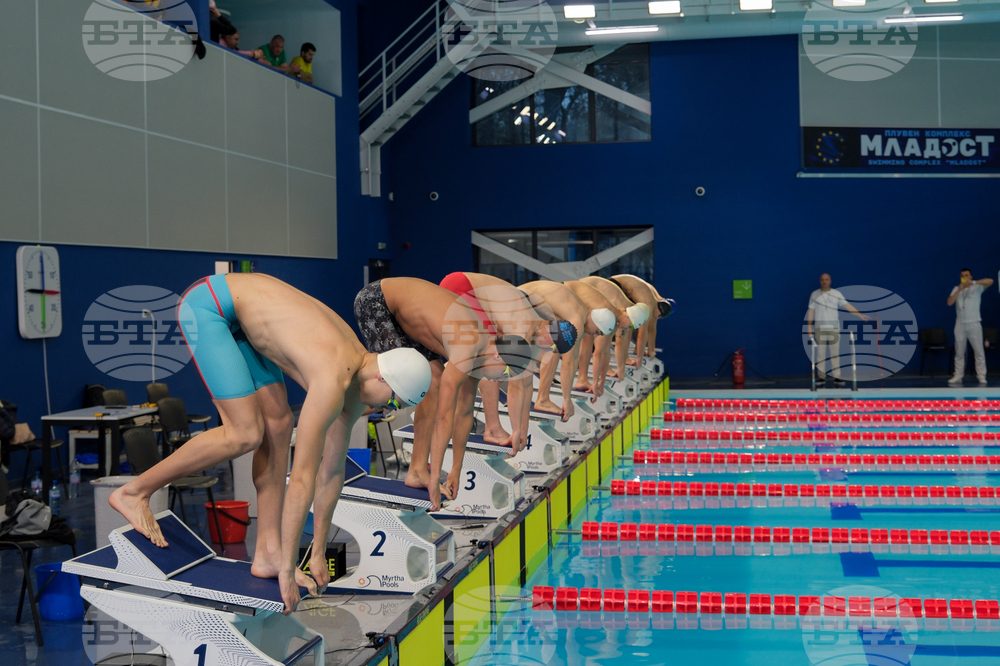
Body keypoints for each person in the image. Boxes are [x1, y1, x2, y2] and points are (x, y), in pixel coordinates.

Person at [110, 273, 431, 613]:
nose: (387, 410)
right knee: (244, 432)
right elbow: (303, 478)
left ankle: (267, 553)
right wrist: (289, 575)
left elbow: (332, 470)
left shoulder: (357, 379)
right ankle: (135, 492)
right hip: (211, 305)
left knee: (279, 424)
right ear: (384, 376)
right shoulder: (332, 378)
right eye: (394, 401)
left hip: (244, 317)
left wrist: (317, 551)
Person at [353, 277, 527, 510]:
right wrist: (436, 477)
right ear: (498, 356)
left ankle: (416, 470)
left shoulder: (479, 356)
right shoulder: (469, 347)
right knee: (395, 392)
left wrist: (456, 469)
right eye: (503, 374)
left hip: (404, 313)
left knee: (431, 382)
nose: (496, 380)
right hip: (378, 302)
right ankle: (335, 409)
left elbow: (463, 414)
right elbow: (444, 417)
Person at [440, 273, 577, 451]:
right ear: (548, 331)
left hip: (473, 291)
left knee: (489, 359)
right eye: (550, 347)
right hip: (462, 287)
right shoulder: (521, 330)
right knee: (487, 360)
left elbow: (526, 385)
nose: (546, 353)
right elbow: (515, 388)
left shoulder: (535, 330)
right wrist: (515, 429)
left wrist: (522, 430)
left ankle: (489, 426)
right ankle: (492, 428)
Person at [517, 280, 616, 420]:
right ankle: (540, 400)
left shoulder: (579, 309)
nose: (594, 336)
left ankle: (542, 398)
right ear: (596, 322)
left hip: (519, 298)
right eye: (597, 332)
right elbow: (569, 363)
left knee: (554, 346)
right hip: (515, 303)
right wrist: (567, 400)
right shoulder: (577, 321)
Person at [575, 276, 650, 392]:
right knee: (588, 337)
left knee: (592, 337)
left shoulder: (625, 312)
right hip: (576, 293)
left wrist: (620, 368)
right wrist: (597, 383)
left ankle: (582, 378)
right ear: (628, 317)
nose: (628, 329)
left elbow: (611, 347)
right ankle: (581, 379)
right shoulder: (612, 313)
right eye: (630, 326)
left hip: (588, 291)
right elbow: (599, 352)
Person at [805, 273, 870, 387]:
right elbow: (811, 311)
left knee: (835, 354)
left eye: (826, 279)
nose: (824, 281)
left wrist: (860, 315)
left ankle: (837, 377)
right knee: (820, 354)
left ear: (830, 281)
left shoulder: (836, 294)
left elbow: (847, 306)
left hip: (834, 328)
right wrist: (809, 327)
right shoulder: (814, 294)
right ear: (820, 281)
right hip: (819, 328)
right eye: (822, 279)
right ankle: (821, 377)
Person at [947, 268, 994, 386]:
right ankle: (958, 375)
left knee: (978, 350)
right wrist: (960, 289)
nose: (964, 277)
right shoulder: (956, 289)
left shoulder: (977, 288)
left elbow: (990, 281)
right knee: (959, 351)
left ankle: (981, 376)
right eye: (962, 275)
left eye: (967, 275)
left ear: (971, 276)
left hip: (974, 323)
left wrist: (972, 283)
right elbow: (949, 302)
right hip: (960, 324)